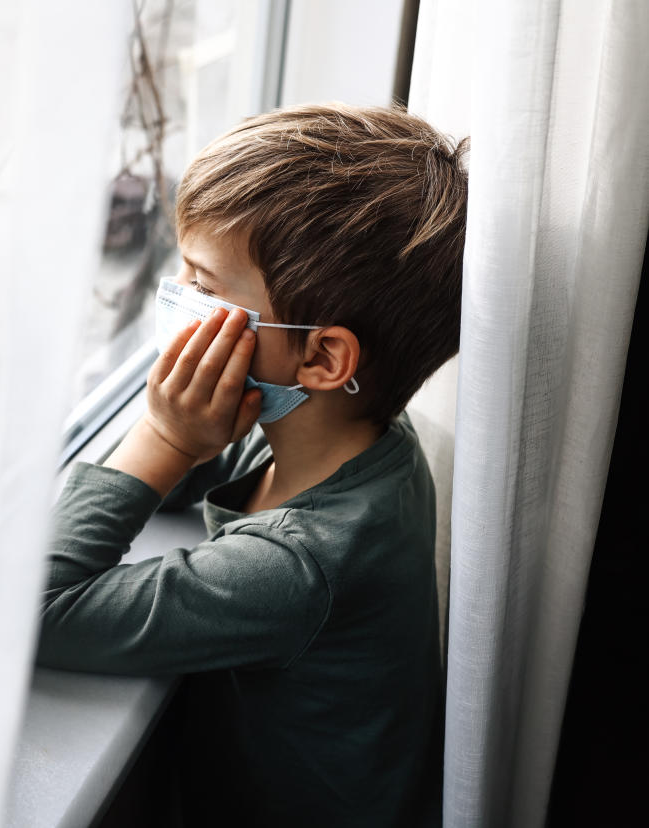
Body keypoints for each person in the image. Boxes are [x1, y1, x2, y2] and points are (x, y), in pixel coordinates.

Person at [36, 103, 468, 827]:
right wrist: (190, 436)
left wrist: (165, 440)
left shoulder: (298, 564)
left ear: (323, 358)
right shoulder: (366, 440)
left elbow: (38, 612)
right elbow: (211, 469)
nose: (176, 301)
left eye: (203, 288)